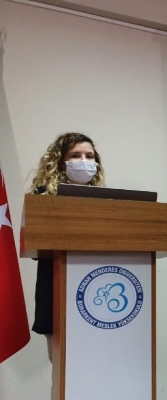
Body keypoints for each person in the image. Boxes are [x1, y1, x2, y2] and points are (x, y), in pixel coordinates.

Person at [28, 132, 105, 361]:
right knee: (63, 367)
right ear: (61, 162)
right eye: (76, 155)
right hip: (57, 288)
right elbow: (36, 247)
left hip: (98, 289)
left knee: (97, 362)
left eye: (89, 156)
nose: (84, 161)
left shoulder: (107, 202)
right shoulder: (44, 198)